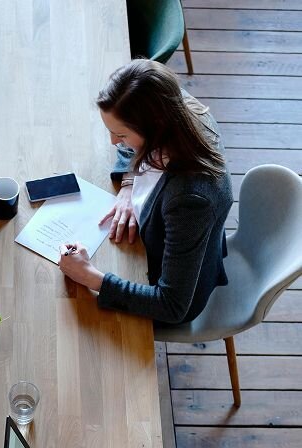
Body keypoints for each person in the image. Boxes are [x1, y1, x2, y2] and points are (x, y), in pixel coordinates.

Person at [58, 59, 234, 325]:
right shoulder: (173, 106)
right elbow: (131, 148)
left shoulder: (190, 200)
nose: (113, 142)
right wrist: (129, 184)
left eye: (122, 134)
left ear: (156, 127)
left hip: (170, 292)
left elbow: (172, 305)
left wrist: (90, 277)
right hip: (155, 243)